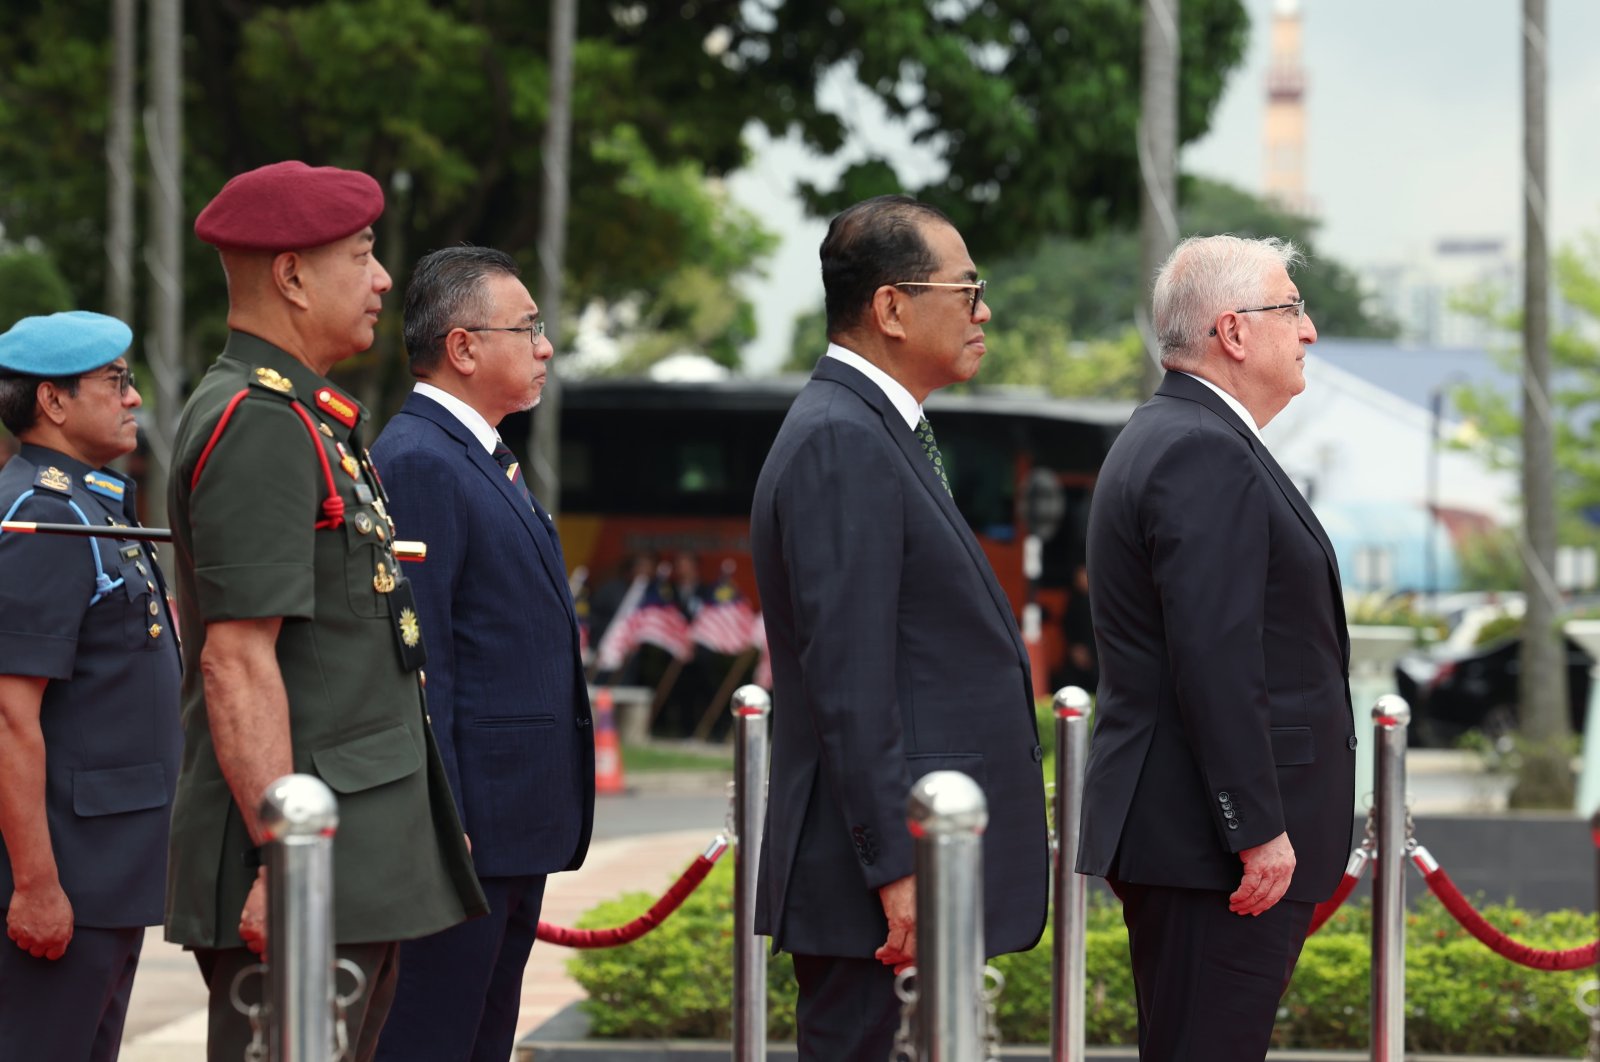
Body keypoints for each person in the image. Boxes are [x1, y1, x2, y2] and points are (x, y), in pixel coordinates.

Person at [165, 161, 487, 1060]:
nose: (383, 278)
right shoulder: (259, 421)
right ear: (292, 275)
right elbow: (237, 659)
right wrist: (283, 857)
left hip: (347, 842)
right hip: (302, 852)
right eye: (363, 254)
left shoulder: (310, 415)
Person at [750, 194, 1049, 1059]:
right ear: (890, 308)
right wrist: (894, 864)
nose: (983, 310)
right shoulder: (843, 440)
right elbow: (851, 677)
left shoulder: (877, 430)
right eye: (965, 290)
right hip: (871, 876)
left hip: (893, 864)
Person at [1076, 234, 1357, 1061]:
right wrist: (1255, 827)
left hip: (1196, 838)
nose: (1308, 331)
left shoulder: (1181, 436)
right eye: (1293, 309)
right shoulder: (1201, 448)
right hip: (1214, 848)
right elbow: (1215, 657)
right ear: (1233, 332)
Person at [369, 245, 595, 1062]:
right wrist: (444, 819)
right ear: (463, 347)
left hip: (510, 825)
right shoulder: (421, 461)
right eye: (527, 327)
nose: (544, 346)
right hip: (469, 832)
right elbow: (423, 663)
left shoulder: (478, 454)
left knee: (483, 1036)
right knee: (435, 1036)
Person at [0, 312, 182, 1060]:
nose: (133, 397)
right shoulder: (42, 517)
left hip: (109, 873)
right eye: (115, 382)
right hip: (68, 878)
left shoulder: (89, 506)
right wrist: (37, 885)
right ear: (53, 401)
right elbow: (11, 716)